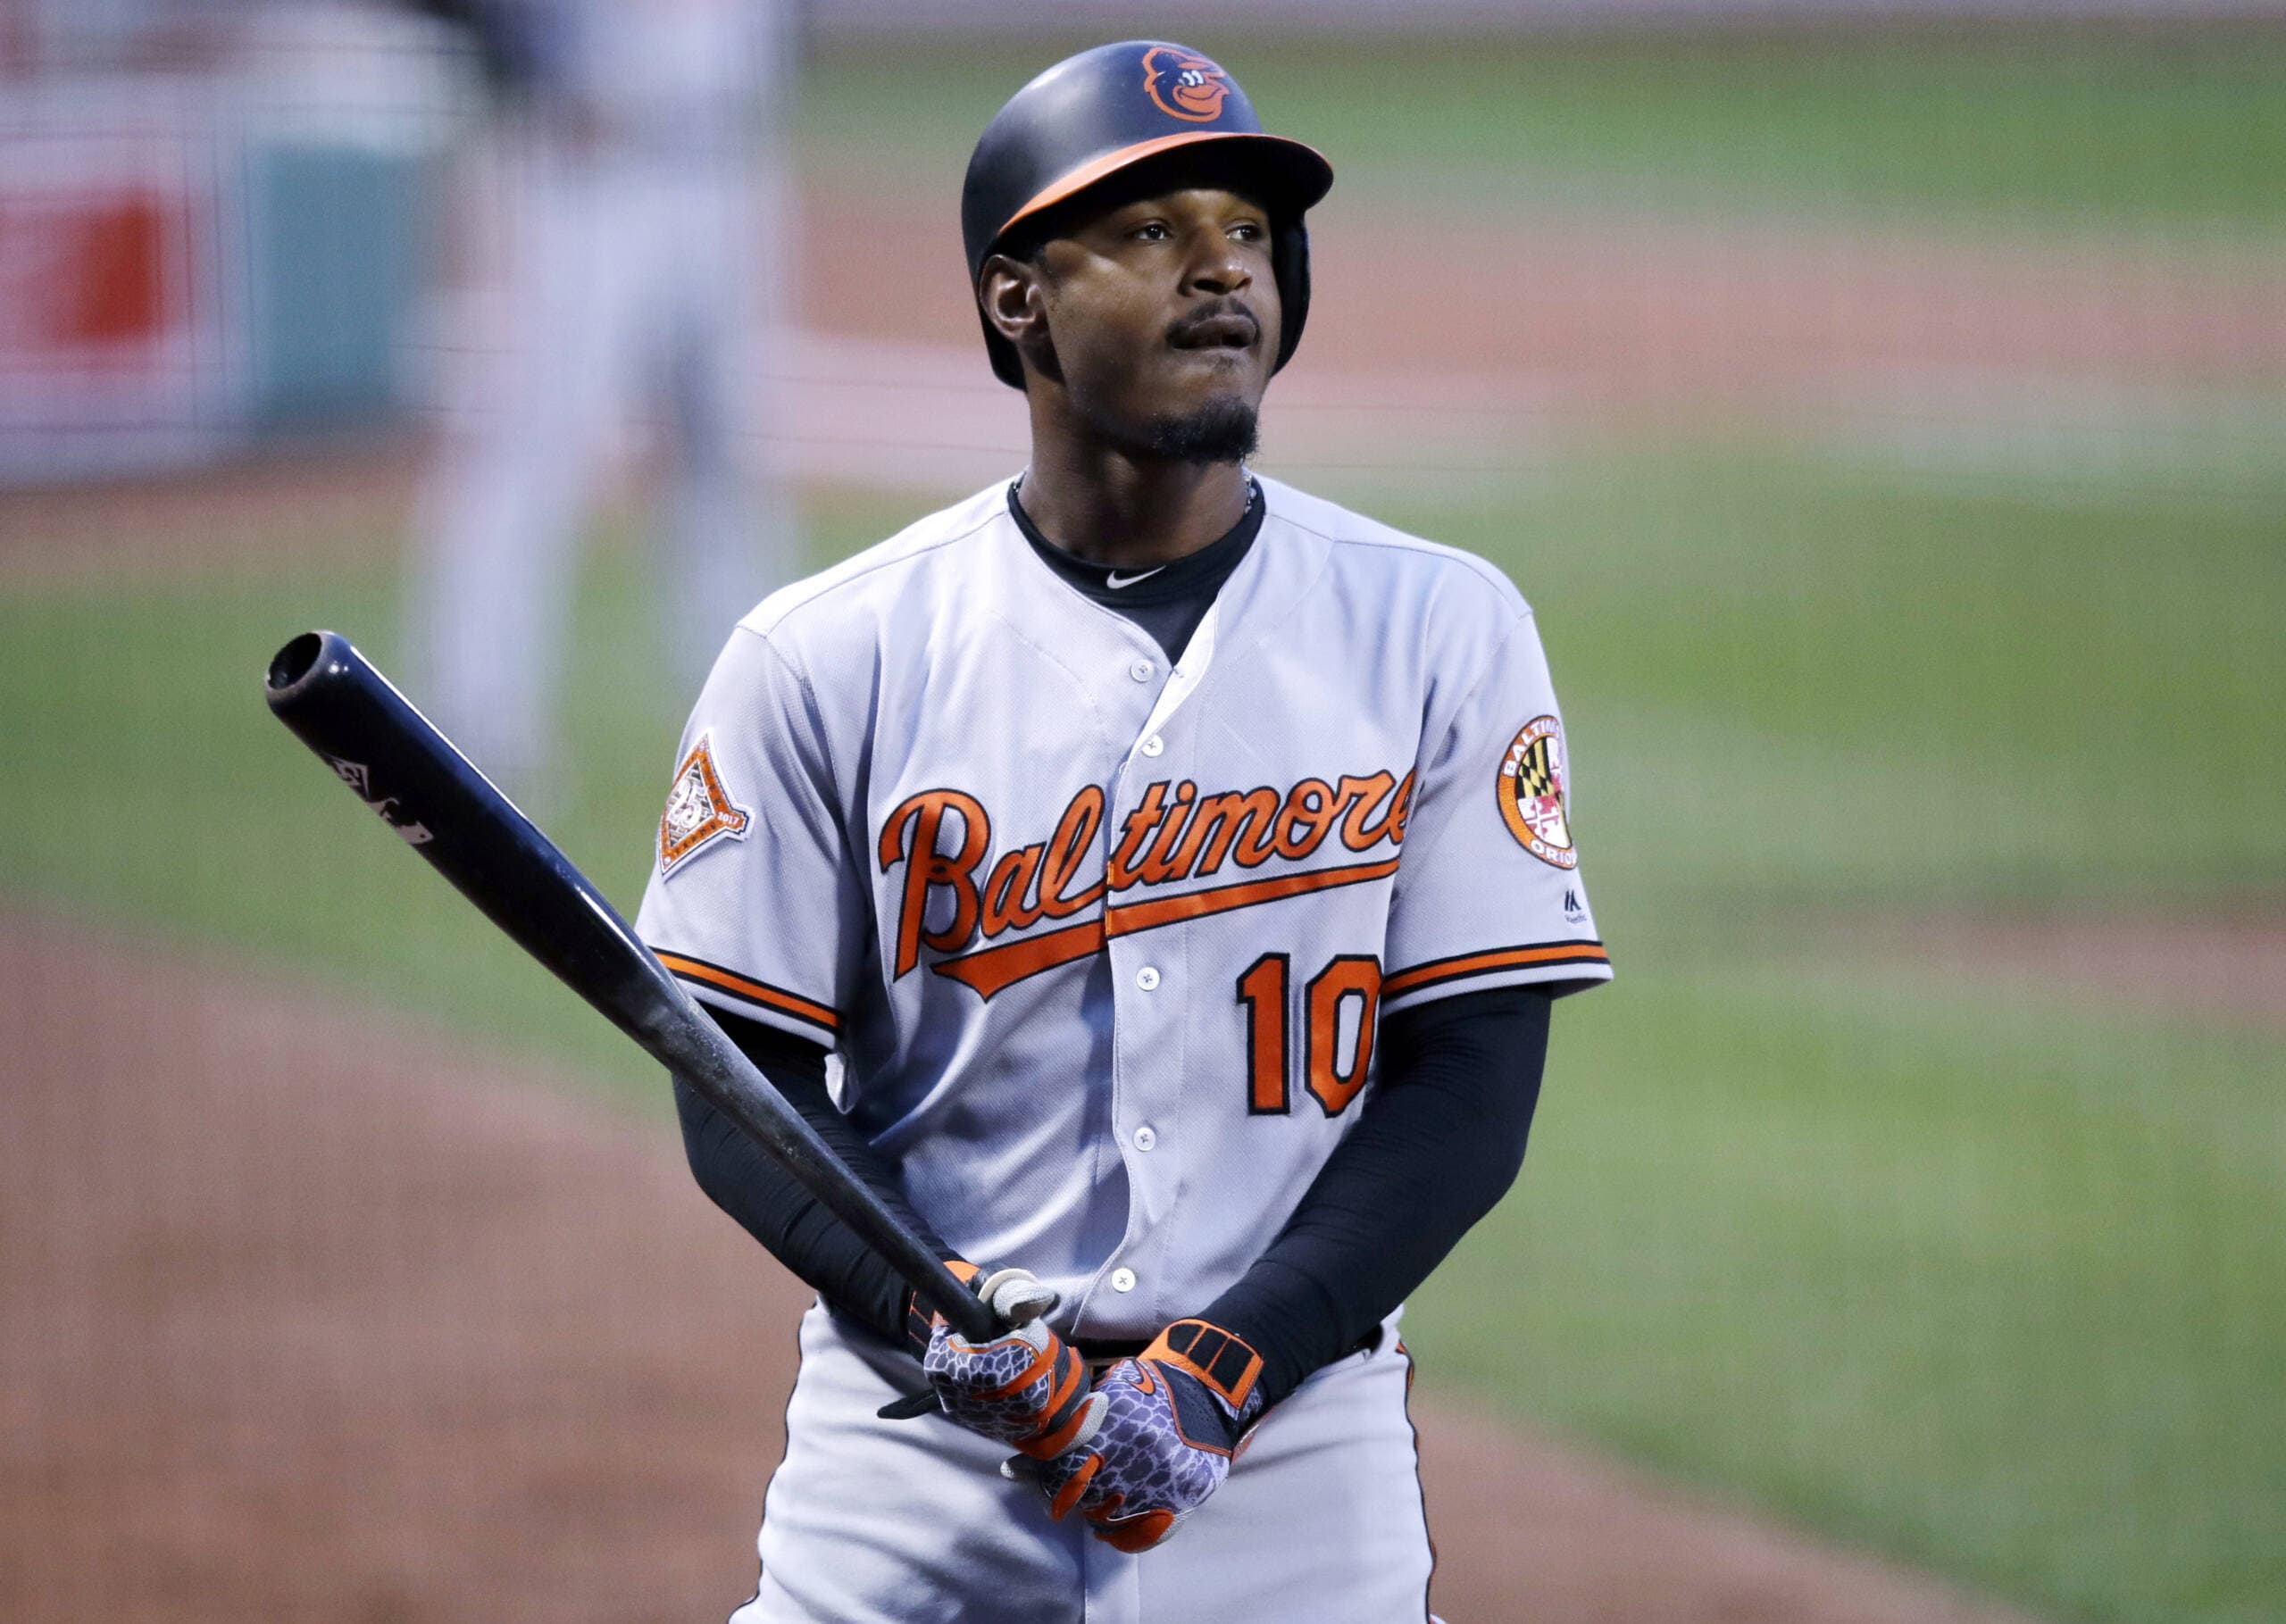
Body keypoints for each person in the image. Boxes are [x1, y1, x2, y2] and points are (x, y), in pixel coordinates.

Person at [633, 40, 1612, 1623]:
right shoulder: (829, 652)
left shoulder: (1438, 624)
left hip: (1297, 1447)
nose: (1224, 266)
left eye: (1248, 228)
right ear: (1017, 298)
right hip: (917, 1458)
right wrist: (936, 1311)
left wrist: (1222, 1369)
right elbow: (733, 1086)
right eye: (1153, 231)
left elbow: (1476, 1080)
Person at [407, 0, 795, 801]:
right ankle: (472, 712)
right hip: (592, 169)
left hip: (727, 160)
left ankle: (753, 722)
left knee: (725, 459)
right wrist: (537, 65)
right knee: (533, 446)